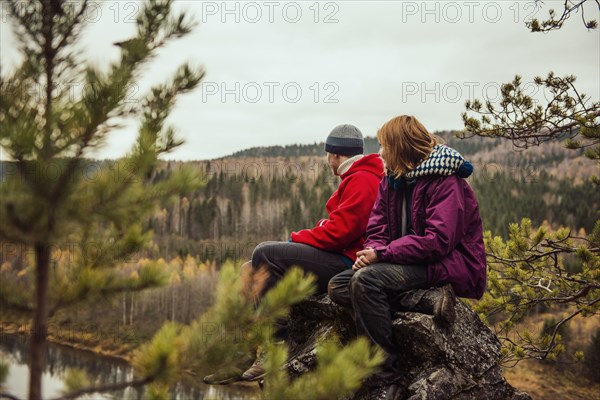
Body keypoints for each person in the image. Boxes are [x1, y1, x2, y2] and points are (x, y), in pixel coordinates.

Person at [203, 124, 385, 385]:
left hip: (350, 263)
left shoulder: (363, 179)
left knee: (265, 253)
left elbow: (340, 234)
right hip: (345, 256)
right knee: (249, 270)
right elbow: (339, 226)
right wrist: (315, 232)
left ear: (335, 154)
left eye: (328, 154)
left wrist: (297, 238)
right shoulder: (357, 176)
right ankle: (245, 352)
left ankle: (277, 345)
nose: (326, 160)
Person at [328, 115, 487, 382]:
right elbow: (376, 227)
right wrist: (373, 251)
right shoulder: (392, 179)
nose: (379, 153)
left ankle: (383, 377)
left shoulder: (445, 180)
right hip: (406, 261)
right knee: (338, 286)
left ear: (401, 147)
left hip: (445, 264)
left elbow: (437, 241)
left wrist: (382, 255)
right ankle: (425, 300)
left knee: (366, 282)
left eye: (384, 146)